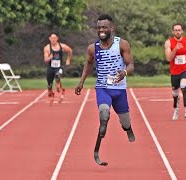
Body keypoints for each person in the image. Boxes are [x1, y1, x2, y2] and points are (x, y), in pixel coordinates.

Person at [75, 14, 135, 142]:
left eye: (104, 27)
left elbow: (131, 65)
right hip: (103, 87)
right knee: (104, 111)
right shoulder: (92, 48)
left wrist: (124, 72)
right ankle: (103, 124)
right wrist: (81, 82)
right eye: (99, 28)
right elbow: (89, 64)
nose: (101, 30)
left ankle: (128, 128)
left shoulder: (122, 44)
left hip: (119, 89)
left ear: (111, 28)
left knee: (125, 121)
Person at [43, 32, 73, 104]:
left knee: (57, 77)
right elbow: (45, 60)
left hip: (59, 67)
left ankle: (59, 87)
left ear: (57, 39)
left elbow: (70, 51)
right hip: (50, 68)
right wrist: (49, 58)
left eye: (54, 38)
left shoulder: (61, 46)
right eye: (52, 38)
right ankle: (51, 92)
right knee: (49, 85)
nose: (53, 39)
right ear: (49, 39)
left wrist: (68, 60)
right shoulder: (47, 48)